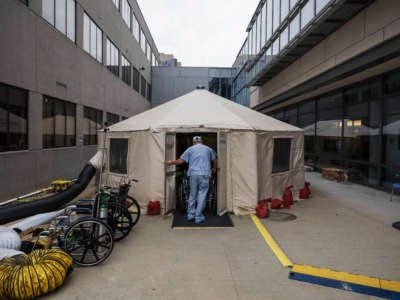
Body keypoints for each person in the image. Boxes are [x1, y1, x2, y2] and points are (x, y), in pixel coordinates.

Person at [165, 136, 217, 224]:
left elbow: (180, 161)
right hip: (204, 174)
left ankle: (191, 215)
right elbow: (214, 159)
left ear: (193, 142)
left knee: (192, 194)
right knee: (202, 194)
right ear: (202, 141)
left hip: (193, 175)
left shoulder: (190, 149)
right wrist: (214, 168)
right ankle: (198, 216)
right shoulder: (208, 149)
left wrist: (170, 163)